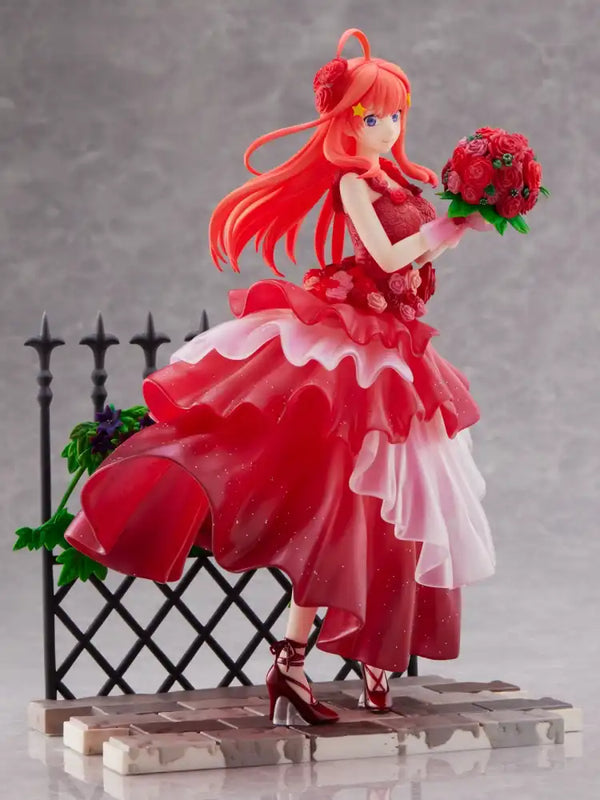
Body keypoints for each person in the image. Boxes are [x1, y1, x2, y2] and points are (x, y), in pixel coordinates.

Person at [65, 28, 495, 726]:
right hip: (355, 349)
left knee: (397, 506)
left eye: (396, 115)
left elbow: (415, 262)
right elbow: (387, 255)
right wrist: (450, 228)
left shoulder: (397, 180)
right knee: (339, 505)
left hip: (400, 349)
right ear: (346, 121)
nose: (388, 128)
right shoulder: (354, 182)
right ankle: (290, 660)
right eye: (374, 116)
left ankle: (373, 659)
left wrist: (461, 218)